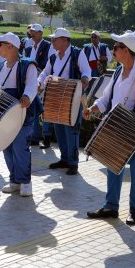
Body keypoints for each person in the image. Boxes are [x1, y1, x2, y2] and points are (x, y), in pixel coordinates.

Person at [84, 32, 135, 225]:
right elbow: (106, 97)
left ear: (126, 50)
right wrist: (93, 108)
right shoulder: (119, 70)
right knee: (113, 166)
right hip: (117, 126)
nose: (113, 51)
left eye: (116, 47)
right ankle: (111, 207)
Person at [39, 28, 91, 175]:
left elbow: (87, 71)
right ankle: (64, 159)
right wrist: (39, 83)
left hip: (72, 98)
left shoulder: (77, 53)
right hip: (57, 96)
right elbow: (45, 73)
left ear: (65, 40)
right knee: (59, 129)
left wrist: (85, 79)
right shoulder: (53, 57)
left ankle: (73, 163)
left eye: (55, 39)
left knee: (72, 130)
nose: (52, 42)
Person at [0, 32, 40, 196]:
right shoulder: (0, 66)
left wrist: (27, 96)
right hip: (4, 115)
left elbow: (32, 85)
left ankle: (25, 183)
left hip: (22, 114)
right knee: (6, 147)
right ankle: (14, 181)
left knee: (20, 148)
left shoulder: (27, 65)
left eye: (0, 44)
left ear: (10, 46)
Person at [23, 24, 52, 147]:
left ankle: (46, 137)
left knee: (45, 110)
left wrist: (43, 81)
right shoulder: (29, 49)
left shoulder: (48, 46)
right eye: (31, 32)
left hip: (44, 82)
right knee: (33, 109)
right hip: (32, 83)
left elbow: (51, 65)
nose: (32, 34)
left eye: (35, 31)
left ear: (41, 33)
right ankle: (34, 137)